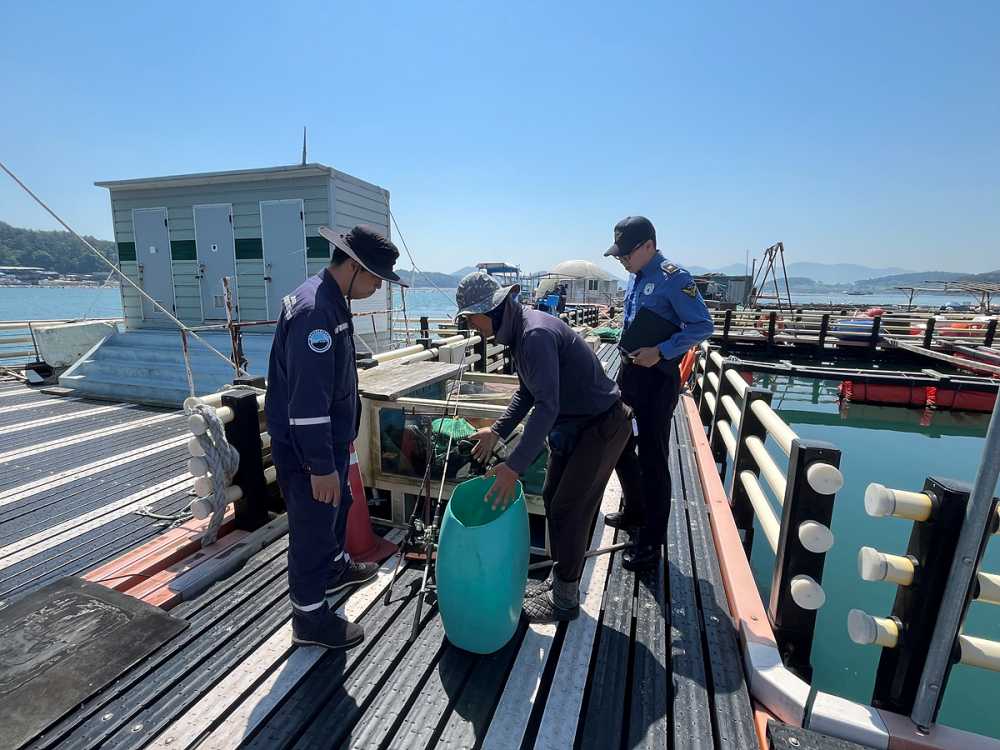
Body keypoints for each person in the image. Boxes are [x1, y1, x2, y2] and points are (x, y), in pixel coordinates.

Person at [457, 272, 633, 623]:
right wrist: (497, 431)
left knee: (570, 509)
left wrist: (513, 467)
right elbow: (527, 392)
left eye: (470, 318)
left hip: (601, 425)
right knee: (554, 499)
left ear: (490, 310)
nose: (470, 325)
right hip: (574, 426)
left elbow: (546, 406)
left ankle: (565, 600)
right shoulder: (519, 332)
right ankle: (561, 579)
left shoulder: (534, 335)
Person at [265, 224, 407, 650]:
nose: (379, 286)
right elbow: (307, 402)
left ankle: (334, 569)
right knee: (312, 527)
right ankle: (309, 619)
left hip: (332, 439)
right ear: (352, 266)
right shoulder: (316, 314)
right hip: (311, 449)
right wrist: (319, 467)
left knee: (339, 507)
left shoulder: (329, 297)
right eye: (376, 276)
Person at [603, 216, 714, 572]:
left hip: (656, 378)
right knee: (620, 442)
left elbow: (702, 325)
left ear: (648, 245)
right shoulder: (636, 277)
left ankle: (651, 544)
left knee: (652, 458)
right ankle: (635, 510)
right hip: (629, 370)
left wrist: (663, 352)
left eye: (626, 254)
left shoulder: (673, 278)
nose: (621, 260)